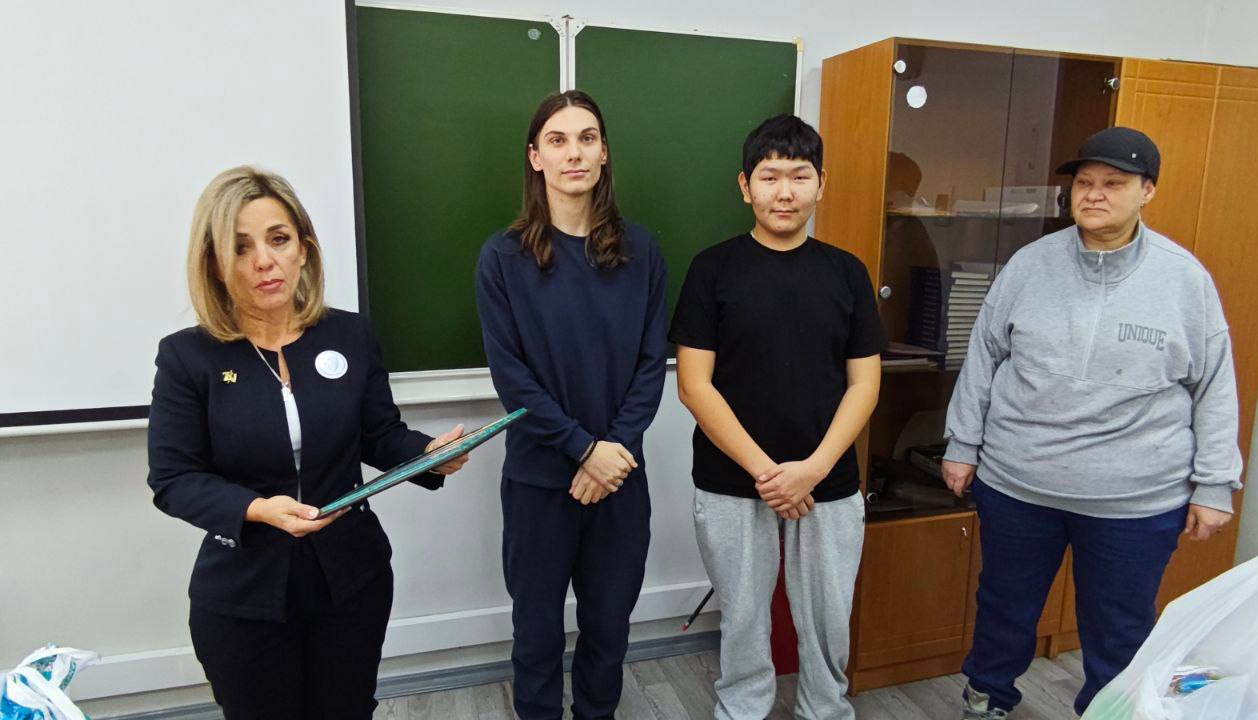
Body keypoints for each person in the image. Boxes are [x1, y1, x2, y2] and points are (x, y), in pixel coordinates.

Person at [941, 127, 1243, 719]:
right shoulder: (1030, 266)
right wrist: (962, 443)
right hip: (1019, 484)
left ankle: (1108, 711)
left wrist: (1214, 483)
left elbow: (1213, 386)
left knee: (1119, 626)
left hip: (1135, 500)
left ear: (1147, 190)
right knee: (1003, 606)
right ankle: (987, 697)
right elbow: (983, 358)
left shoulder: (1184, 280)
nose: (1094, 194)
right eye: (1084, 182)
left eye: (1113, 183)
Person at [147, 166, 469, 719]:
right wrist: (258, 509)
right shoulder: (187, 357)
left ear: (304, 248)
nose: (263, 261)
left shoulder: (350, 334)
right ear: (215, 263)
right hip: (244, 594)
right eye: (240, 247)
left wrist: (428, 456)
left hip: (352, 580)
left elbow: (379, 435)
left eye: (278, 239)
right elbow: (174, 480)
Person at [669, 114, 883, 720]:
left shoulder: (847, 272)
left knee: (827, 618)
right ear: (745, 187)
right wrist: (770, 474)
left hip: (828, 482)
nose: (784, 192)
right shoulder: (712, 269)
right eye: (769, 177)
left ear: (821, 184)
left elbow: (865, 384)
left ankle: (825, 709)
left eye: (799, 176)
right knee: (742, 618)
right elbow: (694, 385)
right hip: (733, 480)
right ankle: (742, 709)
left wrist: (811, 470)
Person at [475, 90, 668, 720]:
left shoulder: (642, 251)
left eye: (587, 138)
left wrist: (611, 453)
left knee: (608, 631)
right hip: (540, 481)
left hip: (620, 478)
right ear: (535, 157)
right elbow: (513, 379)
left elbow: (651, 365)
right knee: (535, 636)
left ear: (604, 152)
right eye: (557, 140)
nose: (574, 153)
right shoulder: (502, 258)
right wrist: (584, 450)